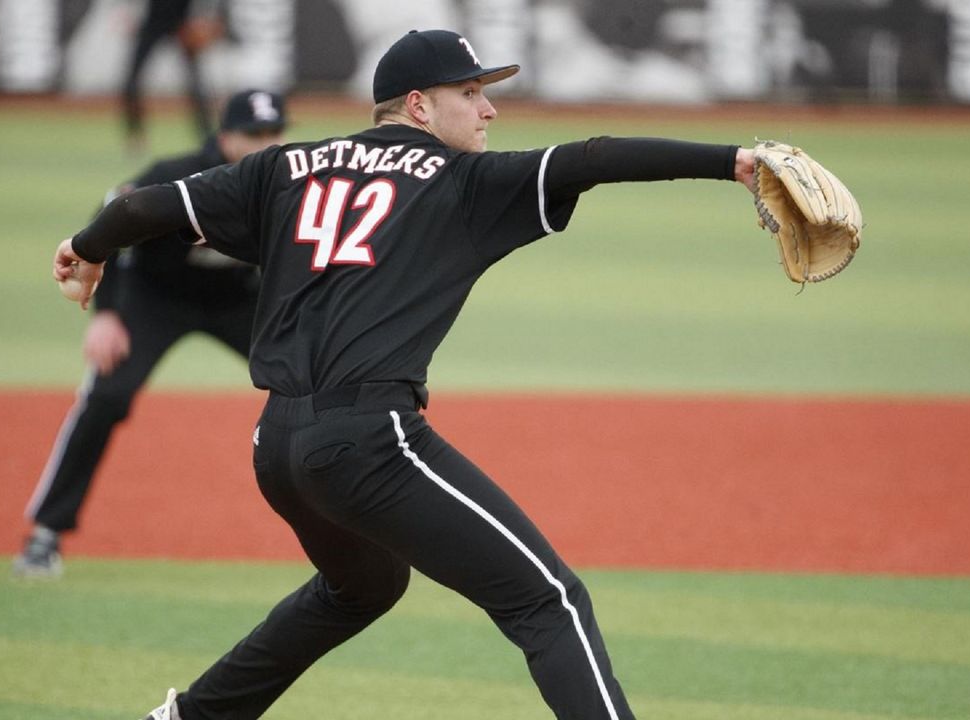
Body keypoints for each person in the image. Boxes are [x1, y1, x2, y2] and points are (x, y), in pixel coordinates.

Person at [53, 29, 757, 720]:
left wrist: (85, 248)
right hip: (370, 441)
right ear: (418, 106)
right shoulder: (465, 181)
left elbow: (145, 206)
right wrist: (735, 161)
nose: (489, 110)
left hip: (278, 448)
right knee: (548, 599)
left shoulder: (283, 168)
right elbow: (595, 157)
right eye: (472, 92)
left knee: (363, 587)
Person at [14, 89, 289, 579]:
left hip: (239, 300)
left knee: (316, 377)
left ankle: (357, 524)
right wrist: (107, 313)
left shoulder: (285, 179)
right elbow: (112, 215)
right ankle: (45, 534)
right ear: (224, 136)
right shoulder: (177, 172)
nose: (263, 144)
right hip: (155, 298)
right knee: (108, 395)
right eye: (253, 134)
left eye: (273, 134)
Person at [122, 0, 224, 154]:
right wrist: (127, 13)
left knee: (196, 85)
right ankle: (135, 135)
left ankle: (207, 137)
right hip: (153, 21)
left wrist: (203, 20)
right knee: (131, 81)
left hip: (183, 24)